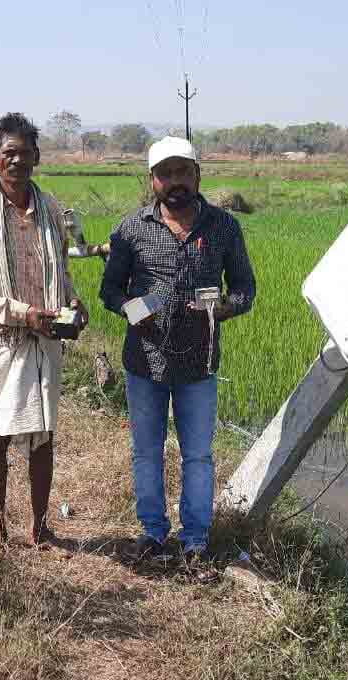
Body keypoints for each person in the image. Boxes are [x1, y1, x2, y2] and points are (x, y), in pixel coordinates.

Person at [99, 137, 256, 579]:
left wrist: (224, 308)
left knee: (199, 456)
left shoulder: (223, 227)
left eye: (183, 173)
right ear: (153, 181)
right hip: (145, 363)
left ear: (197, 176)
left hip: (199, 365)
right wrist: (135, 313)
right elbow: (110, 291)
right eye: (165, 174)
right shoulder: (131, 229)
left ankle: (195, 541)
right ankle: (152, 534)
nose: (175, 182)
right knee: (146, 452)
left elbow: (245, 288)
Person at [0, 112, 88, 550]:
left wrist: (72, 303)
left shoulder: (49, 208)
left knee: (44, 433)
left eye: (25, 153)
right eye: (9, 153)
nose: (17, 161)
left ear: (36, 158)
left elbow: (59, 270)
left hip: (45, 337)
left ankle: (41, 526)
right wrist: (22, 313)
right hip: (0, 338)